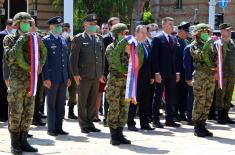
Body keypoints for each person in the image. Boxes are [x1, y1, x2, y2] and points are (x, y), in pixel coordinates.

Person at [3, 12, 47, 154]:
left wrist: (39, 66)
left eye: (29, 22)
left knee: (28, 113)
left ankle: (24, 141)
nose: (27, 25)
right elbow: (10, 57)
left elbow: (42, 54)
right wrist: (21, 40)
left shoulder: (34, 39)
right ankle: (15, 143)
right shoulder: (9, 39)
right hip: (17, 82)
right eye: (24, 22)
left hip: (31, 82)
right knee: (16, 113)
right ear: (17, 24)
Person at [105, 23, 144, 145]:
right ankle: (113, 135)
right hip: (115, 82)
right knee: (114, 108)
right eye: (122, 33)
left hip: (127, 83)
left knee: (124, 108)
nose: (125, 35)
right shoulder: (111, 47)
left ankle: (120, 133)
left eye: (126, 33)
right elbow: (114, 63)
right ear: (116, 34)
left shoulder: (130, 47)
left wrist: (129, 52)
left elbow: (136, 62)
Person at [70, 14, 105, 133]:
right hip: (83, 76)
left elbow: (101, 58)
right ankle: (83, 124)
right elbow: (73, 59)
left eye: (95, 24)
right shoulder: (79, 38)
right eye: (91, 24)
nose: (93, 26)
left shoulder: (99, 38)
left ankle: (90, 123)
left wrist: (101, 73)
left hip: (95, 75)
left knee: (92, 101)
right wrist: (75, 74)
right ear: (85, 24)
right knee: (82, 101)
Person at [42, 16, 71, 136]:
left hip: (63, 77)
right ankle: (51, 128)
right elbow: (45, 61)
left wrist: (68, 76)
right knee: (51, 104)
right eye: (57, 26)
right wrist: (46, 78)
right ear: (51, 26)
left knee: (61, 104)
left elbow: (66, 60)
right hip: (52, 78)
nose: (60, 28)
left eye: (60, 26)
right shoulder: (46, 40)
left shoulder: (63, 40)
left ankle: (59, 127)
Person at [151, 17, 181, 128]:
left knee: (170, 96)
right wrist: (156, 73)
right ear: (163, 25)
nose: (172, 26)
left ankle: (169, 119)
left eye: (172, 24)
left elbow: (176, 57)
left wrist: (177, 72)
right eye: (169, 24)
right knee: (158, 96)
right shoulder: (158, 38)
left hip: (172, 73)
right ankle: (155, 119)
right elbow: (154, 58)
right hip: (161, 72)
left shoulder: (173, 38)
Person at [190, 23, 217, 137]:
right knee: (200, 101)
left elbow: (215, 57)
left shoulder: (210, 44)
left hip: (210, 76)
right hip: (200, 76)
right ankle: (197, 127)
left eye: (207, 32)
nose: (207, 34)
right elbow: (201, 56)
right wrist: (208, 44)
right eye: (204, 32)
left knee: (208, 101)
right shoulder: (194, 45)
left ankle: (203, 125)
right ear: (198, 33)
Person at [127, 25, 155, 131]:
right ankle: (130, 123)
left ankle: (144, 123)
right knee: (133, 101)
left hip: (146, 79)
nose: (144, 35)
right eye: (142, 32)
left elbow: (150, 62)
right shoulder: (132, 45)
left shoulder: (146, 46)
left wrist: (151, 75)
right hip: (136, 78)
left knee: (145, 102)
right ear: (136, 33)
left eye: (145, 32)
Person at [216, 23, 235, 124]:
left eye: (230, 30)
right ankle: (220, 116)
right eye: (227, 30)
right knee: (220, 95)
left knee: (228, 95)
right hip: (221, 74)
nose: (229, 31)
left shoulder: (232, 43)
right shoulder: (218, 42)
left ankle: (226, 115)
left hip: (232, 74)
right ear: (221, 31)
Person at [102, 17, 120, 126]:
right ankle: (106, 118)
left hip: (121, 74)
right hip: (108, 73)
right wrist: (102, 74)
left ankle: (117, 119)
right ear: (110, 27)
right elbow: (102, 58)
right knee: (108, 96)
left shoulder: (124, 40)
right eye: (115, 25)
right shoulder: (105, 40)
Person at [173, 21, 190, 122]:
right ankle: (174, 113)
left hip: (185, 73)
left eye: (187, 32)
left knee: (184, 93)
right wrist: (176, 72)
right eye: (185, 32)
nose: (187, 34)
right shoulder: (175, 41)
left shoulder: (186, 42)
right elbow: (174, 59)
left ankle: (182, 113)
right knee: (175, 94)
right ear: (180, 31)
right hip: (177, 72)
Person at [62, 23, 78, 120]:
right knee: (61, 92)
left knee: (73, 92)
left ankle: (71, 112)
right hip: (62, 70)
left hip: (72, 69)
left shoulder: (73, 40)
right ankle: (61, 111)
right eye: (64, 29)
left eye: (67, 29)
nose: (65, 31)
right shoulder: (59, 40)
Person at [0, 19, 15, 122]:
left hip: (12, 69)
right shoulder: (2, 35)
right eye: (13, 26)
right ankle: (2, 114)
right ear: (9, 26)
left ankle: (7, 114)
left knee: (9, 92)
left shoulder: (14, 37)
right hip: (3, 68)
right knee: (3, 92)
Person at [183, 44, 194, 125]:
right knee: (192, 98)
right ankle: (190, 117)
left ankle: (199, 118)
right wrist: (188, 78)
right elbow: (187, 64)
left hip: (203, 78)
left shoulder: (204, 46)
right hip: (193, 78)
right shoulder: (189, 47)